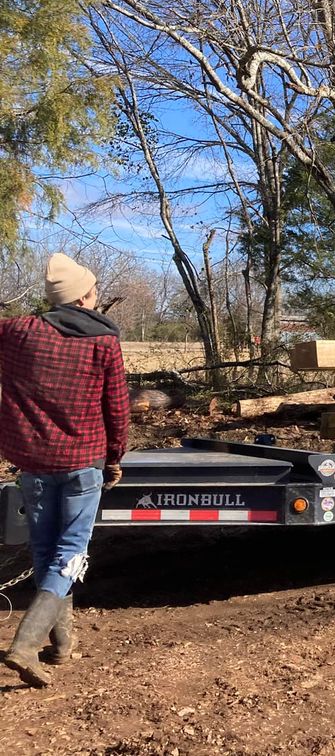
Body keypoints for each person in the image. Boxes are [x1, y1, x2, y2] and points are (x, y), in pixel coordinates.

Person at [1, 253, 129, 687]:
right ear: (85, 296)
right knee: (71, 551)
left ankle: (61, 644)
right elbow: (117, 407)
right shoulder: (103, 342)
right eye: (92, 291)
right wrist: (116, 457)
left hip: (33, 462)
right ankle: (26, 641)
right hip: (84, 462)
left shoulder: (17, 331)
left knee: (44, 549)